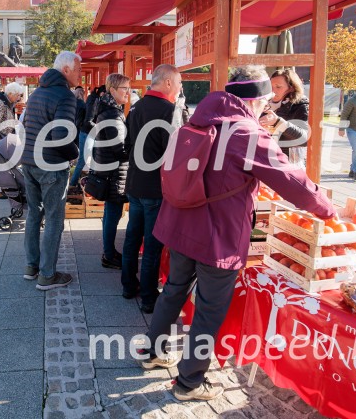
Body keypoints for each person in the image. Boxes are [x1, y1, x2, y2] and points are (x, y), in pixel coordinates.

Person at [141, 65, 336, 403]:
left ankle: (154, 351)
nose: (267, 110)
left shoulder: (197, 118)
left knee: (173, 289)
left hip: (179, 222)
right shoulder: (246, 132)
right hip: (216, 234)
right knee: (209, 308)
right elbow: (291, 180)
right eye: (266, 103)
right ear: (256, 100)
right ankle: (188, 383)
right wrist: (327, 207)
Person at [122, 64, 181, 313]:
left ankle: (128, 285)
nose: (179, 89)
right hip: (155, 188)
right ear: (167, 83)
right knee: (152, 245)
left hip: (135, 183)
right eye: (178, 83)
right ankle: (148, 296)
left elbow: (126, 146)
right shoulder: (170, 111)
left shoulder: (134, 107)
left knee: (132, 238)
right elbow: (176, 153)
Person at [22, 51, 81, 291]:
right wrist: (75, 154)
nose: (80, 73)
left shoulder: (37, 92)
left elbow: (26, 125)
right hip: (52, 165)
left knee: (34, 214)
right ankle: (47, 275)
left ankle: (31, 267)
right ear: (65, 70)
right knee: (54, 218)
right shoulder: (65, 96)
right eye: (78, 69)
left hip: (29, 161)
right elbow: (61, 136)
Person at [90, 74, 130, 269]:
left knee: (110, 213)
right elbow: (119, 149)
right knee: (112, 214)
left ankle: (109, 251)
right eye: (124, 89)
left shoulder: (106, 109)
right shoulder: (113, 114)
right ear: (112, 90)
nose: (128, 93)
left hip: (108, 169)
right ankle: (109, 254)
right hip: (114, 172)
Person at [260, 68, 310, 167]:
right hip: (266, 160)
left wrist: (278, 122)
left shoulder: (300, 105)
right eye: (271, 87)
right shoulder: (263, 104)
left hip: (290, 162)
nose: (273, 91)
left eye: (278, 87)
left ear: (291, 88)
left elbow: (304, 139)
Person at [0, 82, 24, 199]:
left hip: (4, 135)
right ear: (11, 94)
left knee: (1, 163)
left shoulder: (8, 102)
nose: (19, 98)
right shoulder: (0, 103)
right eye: (17, 95)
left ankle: (1, 186)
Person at [72, 85, 106, 187]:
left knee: (90, 159)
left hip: (86, 133)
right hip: (87, 133)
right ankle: (74, 183)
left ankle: (88, 183)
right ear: (102, 93)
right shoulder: (94, 101)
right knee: (84, 159)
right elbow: (88, 121)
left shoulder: (93, 99)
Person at [69, 86, 87, 188]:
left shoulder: (72, 104)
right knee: (81, 155)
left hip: (71, 129)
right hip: (80, 130)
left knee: (73, 151)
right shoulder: (83, 105)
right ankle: (75, 176)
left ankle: (72, 168)